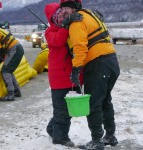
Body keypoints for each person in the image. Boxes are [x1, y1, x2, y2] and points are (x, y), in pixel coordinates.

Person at [60, 0, 120, 150]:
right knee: (105, 100)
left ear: (73, 8)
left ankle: (97, 141)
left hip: (98, 64)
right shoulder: (89, 14)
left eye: (66, 8)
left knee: (94, 104)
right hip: (111, 61)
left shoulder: (76, 21)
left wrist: (76, 69)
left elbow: (80, 47)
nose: (64, 12)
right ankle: (110, 136)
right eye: (62, 9)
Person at [44, 2, 83, 147]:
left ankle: (52, 128)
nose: (61, 17)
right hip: (59, 78)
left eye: (63, 14)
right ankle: (60, 137)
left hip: (72, 77)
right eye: (58, 16)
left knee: (67, 109)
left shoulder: (70, 28)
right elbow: (59, 42)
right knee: (61, 110)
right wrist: (65, 27)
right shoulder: (50, 32)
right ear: (52, 19)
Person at [0, 27, 24, 101]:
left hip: (14, 50)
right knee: (9, 70)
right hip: (17, 49)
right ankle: (16, 91)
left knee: (5, 71)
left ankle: (11, 94)